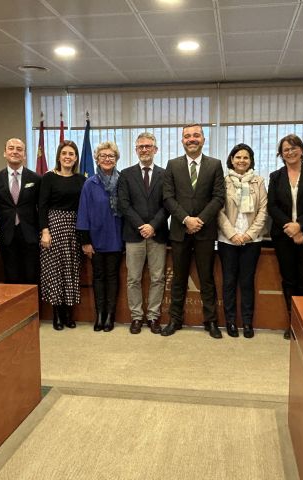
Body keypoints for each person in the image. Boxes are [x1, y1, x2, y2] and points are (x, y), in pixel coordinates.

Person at [162, 124, 225, 339]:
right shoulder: (172, 165)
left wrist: (200, 220)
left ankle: (211, 322)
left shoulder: (215, 165)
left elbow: (218, 197)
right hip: (180, 231)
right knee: (178, 279)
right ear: (182, 141)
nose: (191, 139)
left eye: (196, 135)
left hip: (205, 232)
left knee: (206, 279)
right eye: (187, 136)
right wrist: (186, 219)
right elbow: (168, 197)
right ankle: (174, 320)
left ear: (203, 139)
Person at [268, 134, 303, 339]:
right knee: (289, 280)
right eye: (285, 150)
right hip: (283, 235)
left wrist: (299, 226)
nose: (290, 152)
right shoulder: (275, 177)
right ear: (281, 154)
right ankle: (293, 323)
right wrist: (289, 228)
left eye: (294, 148)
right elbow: (272, 206)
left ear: (301, 150)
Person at [118, 132, 169, 334]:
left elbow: (168, 204)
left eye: (148, 146)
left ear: (155, 150)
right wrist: (142, 225)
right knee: (134, 278)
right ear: (136, 150)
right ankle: (137, 317)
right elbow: (124, 204)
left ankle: (154, 317)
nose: (145, 150)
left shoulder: (165, 174)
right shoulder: (126, 174)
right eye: (141, 147)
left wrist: (153, 226)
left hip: (158, 234)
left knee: (158, 278)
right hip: (133, 235)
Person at [217, 143, 267, 338]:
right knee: (229, 281)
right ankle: (230, 322)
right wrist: (232, 234)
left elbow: (263, 210)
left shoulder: (259, 181)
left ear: (250, 161)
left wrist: (248, 234)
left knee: (246, 282)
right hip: (227, 240)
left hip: (251, 240)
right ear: (231, 159)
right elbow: (219, 211)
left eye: (245, 158)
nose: (241, 161)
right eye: (238, 157)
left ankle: (247, 322)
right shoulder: (223, 181)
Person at [76, 141, 123, 332]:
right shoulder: (90, 183)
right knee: (98, 277)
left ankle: (110, 315)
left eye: (111, 156)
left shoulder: (123, 182)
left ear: (116, 159)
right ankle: (100, 315)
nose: (107, 159)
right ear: (97, 159)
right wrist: (85, 241)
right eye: (103, 156)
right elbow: (83, 213)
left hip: (116, 237)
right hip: (95, 240)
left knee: (112, 277)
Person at [39, 140, 86, 330]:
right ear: (59, 156)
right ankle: (57, 315)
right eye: (64, 153)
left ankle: (68, 314)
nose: (68, 157)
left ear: (76, 158)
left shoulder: (81, 180)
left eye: (71, 154)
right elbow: (42, 206)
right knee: (54, 272)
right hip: (53, 227)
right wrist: (44, 231)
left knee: (70, 271)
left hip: (74, 228)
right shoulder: (48, 178)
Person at [0, 138, 41, 284]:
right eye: (11, 148)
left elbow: (41, 207)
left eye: (19, 149)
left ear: (24, 155)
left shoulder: (36, 179)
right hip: (6, 235)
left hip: (30, 235)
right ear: (4, 153)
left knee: (31, 277)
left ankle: (33, 307)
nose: (15, 151)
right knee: (11, 278)